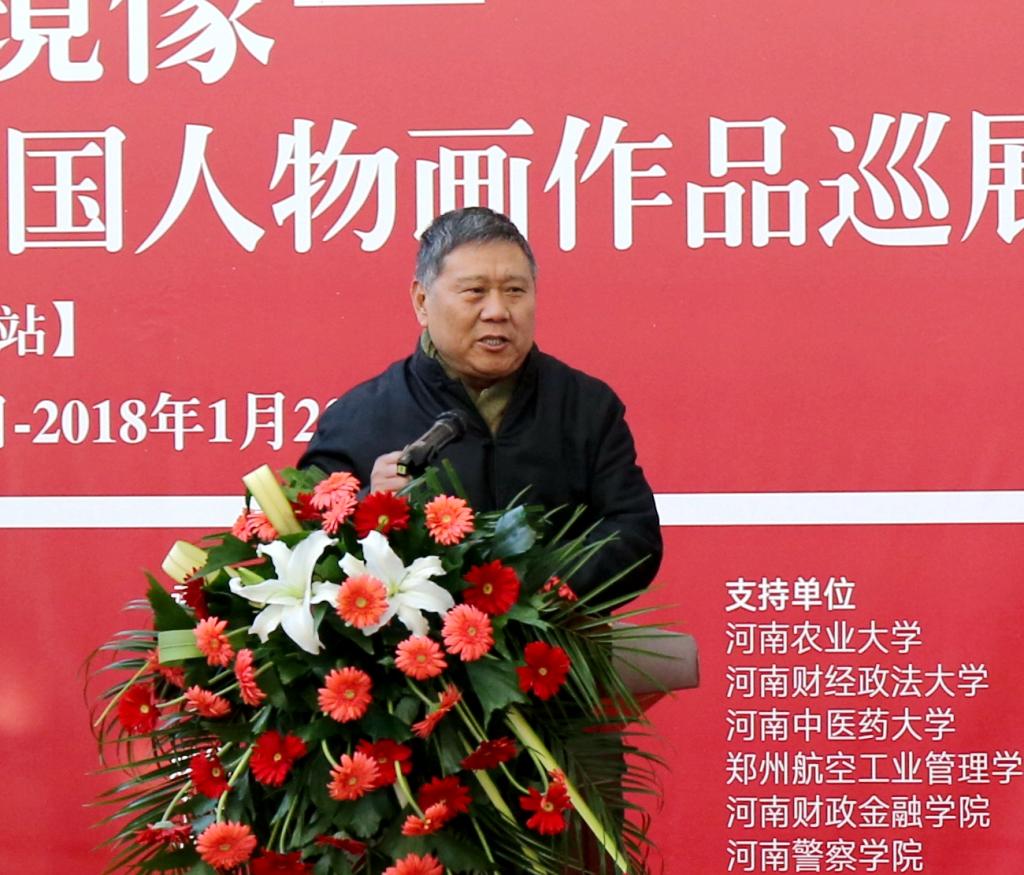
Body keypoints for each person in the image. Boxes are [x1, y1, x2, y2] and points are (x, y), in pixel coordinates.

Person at [300, 206, 661, 601]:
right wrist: (371, 505)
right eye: (475, 291)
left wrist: (536, 592)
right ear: (422, 301)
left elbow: (634, 532)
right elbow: (306, 548)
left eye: (515, 291)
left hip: (556, 633)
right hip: (418, 641)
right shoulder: (358, 418)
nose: (497, 311)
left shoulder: (586, 407)